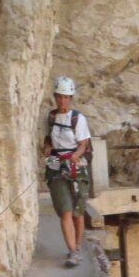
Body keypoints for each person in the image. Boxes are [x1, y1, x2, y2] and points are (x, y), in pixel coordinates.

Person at [42, 76, 92, 267]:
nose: (62, 101)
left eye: (66, 97)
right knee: (65, 210)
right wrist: (47, 146)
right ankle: (72, 250)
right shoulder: (52, 117)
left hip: (75, 164)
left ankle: (77, 246)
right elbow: (47, 137)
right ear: (55, 97)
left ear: (70, 98)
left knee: (77, 213)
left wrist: (75, 155)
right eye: (59, 97)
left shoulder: (77, 119)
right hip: (56, 162)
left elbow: (83, 144)